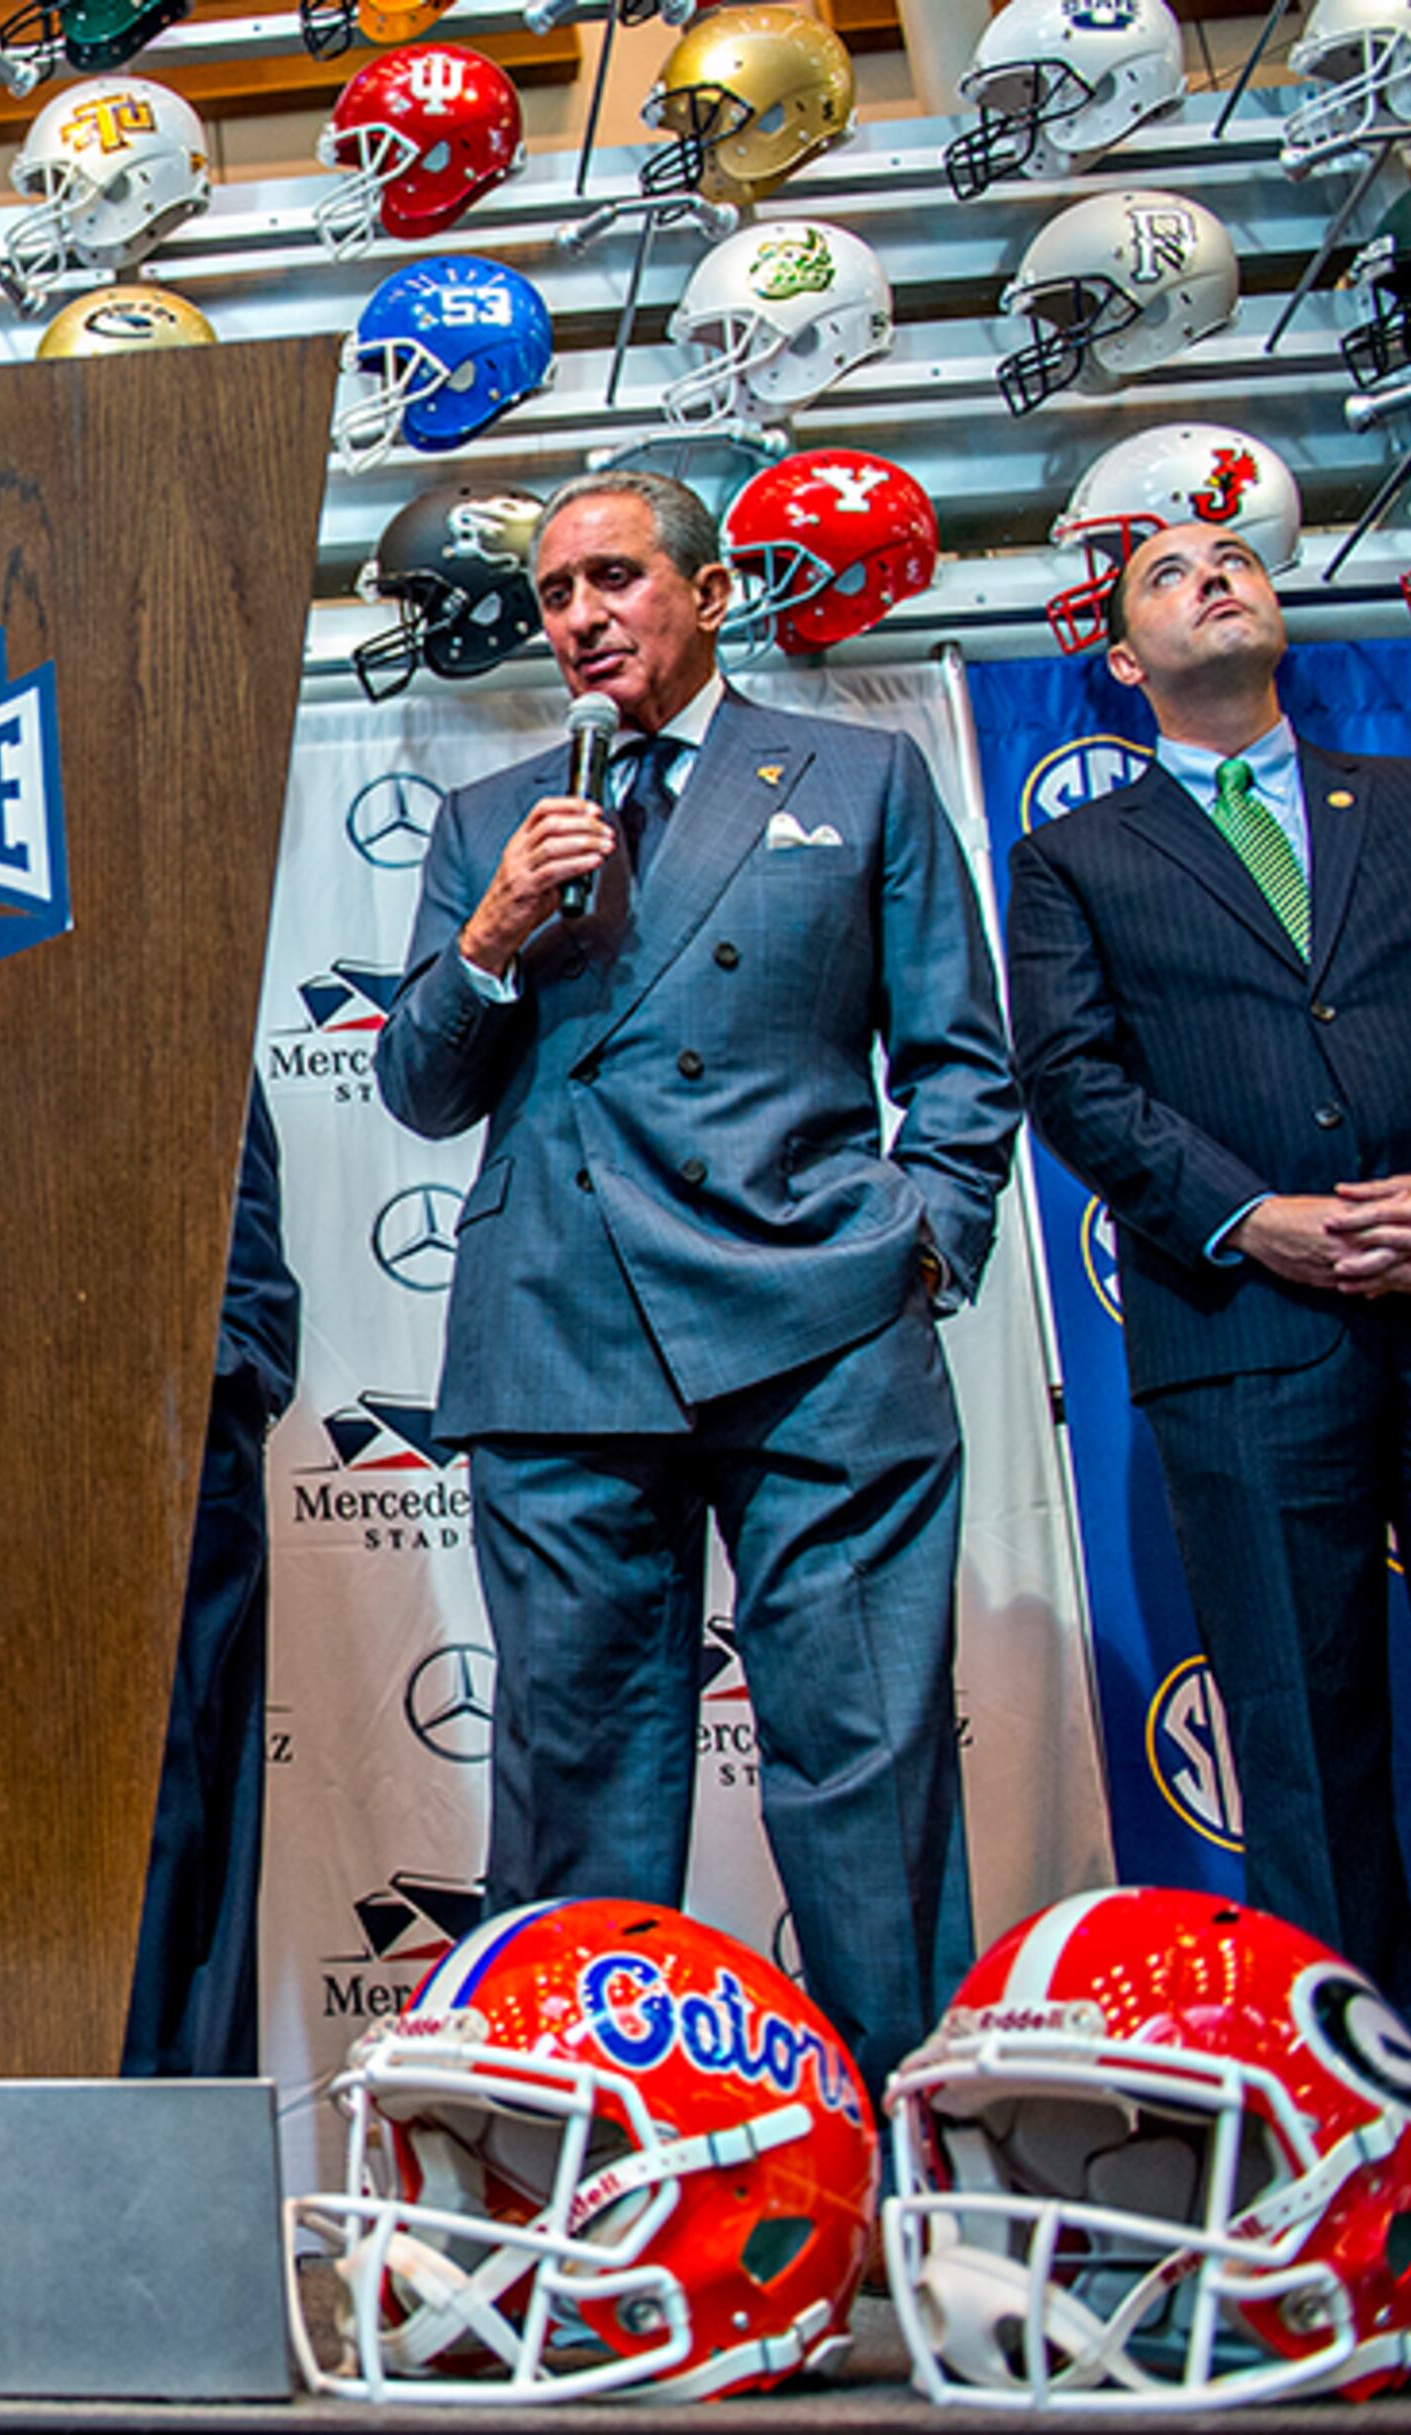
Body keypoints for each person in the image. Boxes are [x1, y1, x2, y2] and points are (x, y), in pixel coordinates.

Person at [372, 468, 1019, 2097]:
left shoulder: (865, 781)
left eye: (614, 577)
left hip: (821, 1339)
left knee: (866, 1779)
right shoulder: (488, 822)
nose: (580, 617)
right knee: (579, 1782)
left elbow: (960, 1059)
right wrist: (495, 933)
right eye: (553, 594)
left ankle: (911, 2185)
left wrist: (922, 1244)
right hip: (564, 1344)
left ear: (712, 591)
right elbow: (421, 1094)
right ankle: (595, 2171)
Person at [1003, 519, 1411, 2010]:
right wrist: (1252, 1216)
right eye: (1170, 573)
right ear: (1124, 661)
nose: (1218, 573)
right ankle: (1360, 2105)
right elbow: (1072, 1078)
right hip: (1246, 1329)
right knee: (1303, 1738)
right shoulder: (1072, 856)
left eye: (1236, 557)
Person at [127, 1087, 299, 2079]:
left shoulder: (156, 941)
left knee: (168, 1842)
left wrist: (230, 1362)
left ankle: (159, 2207)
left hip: (160, 1420)